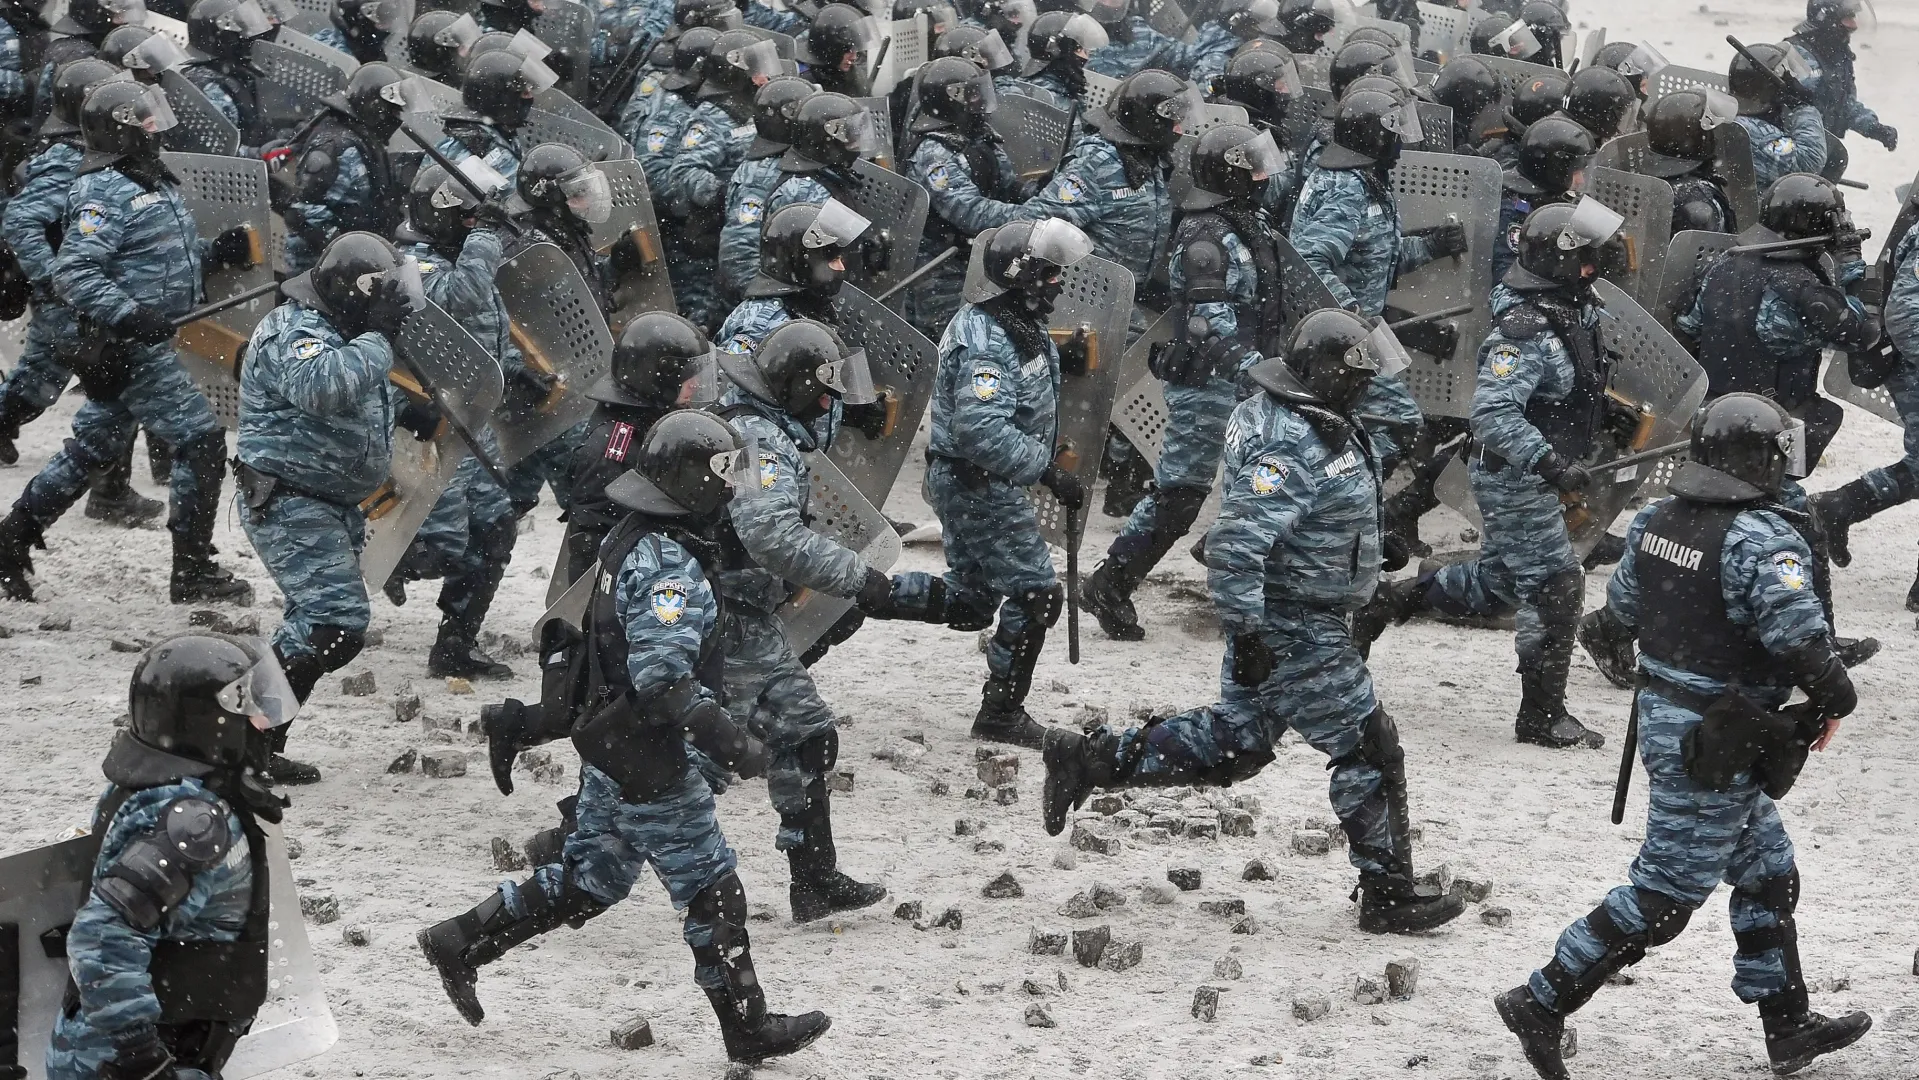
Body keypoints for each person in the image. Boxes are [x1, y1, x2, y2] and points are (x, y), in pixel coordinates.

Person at [418, 411, 835, 1066]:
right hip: (652, 753)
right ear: (691, 481)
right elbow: (664, 679)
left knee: (594, 877)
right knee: (712, 887)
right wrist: (733, 743)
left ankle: (459, 939)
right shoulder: (670, 565)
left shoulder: (635, 535)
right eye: (724, 472)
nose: (732, 487)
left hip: (613, 743)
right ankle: (748, 1026)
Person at [1042, 308, 1463, 935]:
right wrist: (1251, 631)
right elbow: (1237, 543)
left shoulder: (1315, 417)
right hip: (1292, 620)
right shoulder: (1287, 438)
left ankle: (1089, 759)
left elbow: (1319, 507)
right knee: (1370, 744)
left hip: (1294, 609)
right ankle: (1388, 893)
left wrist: (1371, 547)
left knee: (1236, 742)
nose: (1365, 385)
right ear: (1324, 373)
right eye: (1354, 374)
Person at [1496, 393, 1869, 1080]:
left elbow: (1620, 617)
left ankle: (1786, 1024)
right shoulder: (1761, 538)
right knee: (1664, 895)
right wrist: (1835, 696)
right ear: (1760, 458)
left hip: (1675, 717)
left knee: (1766, 872)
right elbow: (1803, 644)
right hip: (1716, 737)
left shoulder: (1656, 520)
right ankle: (1541, 999)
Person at [1362, 201, 1632, 750]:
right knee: (1555, 585)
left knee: (1505, 581)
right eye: (1585, 258)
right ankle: (1541, 716)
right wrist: (1550, 463)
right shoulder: (1526, 330)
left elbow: (1567, 385)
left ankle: (1390, 600)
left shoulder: (1572, 305)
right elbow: (1493, 414)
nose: (1594, 266)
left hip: (1534, 470)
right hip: (1515, 475)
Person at [0, 80, 254, 607]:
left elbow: (153, 257)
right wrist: (131, 315)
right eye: (145, 121)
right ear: (121, 128)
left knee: (93, 448)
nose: (156, 128)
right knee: (201, 443)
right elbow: (75, 273)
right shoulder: (101, 191)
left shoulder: (149, 179)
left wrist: (213, 255)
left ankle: (10, 539)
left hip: (142, 340)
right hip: (132, 348)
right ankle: (192, 571)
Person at [44, 634, 299, 1080]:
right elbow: (101, 941)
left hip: (157, 1050)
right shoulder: (191, 825)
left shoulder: (167, 787)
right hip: (129, 1063)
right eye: (248, 708)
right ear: (208, 721)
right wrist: (145, 1061)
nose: (263, 722)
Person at [711, 319, 897, 920]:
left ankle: (813, 880)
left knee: (808, 734)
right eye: (821, 392)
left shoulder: (760, 424)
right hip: (722, 619)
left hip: (744, 615)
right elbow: (769, 536)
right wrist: (857, 577)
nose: (828, 404)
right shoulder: (757, 438)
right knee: (679, 769)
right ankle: (569, 859)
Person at [1082, 123, 1287, 641]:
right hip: (1209, 381)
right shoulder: (1205, 239)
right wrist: (1252, 369)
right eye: (1253, 167)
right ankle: (1111, 582)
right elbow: (1206, 322)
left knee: (1272, 478)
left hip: (1247, 374)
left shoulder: (1243, 221)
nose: (1263, 177)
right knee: (1180, 493)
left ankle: (1242, 572)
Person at [235, 231, 422, 782]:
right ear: (353, 290)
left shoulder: (346, 328)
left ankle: (256, 744)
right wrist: (378, 335)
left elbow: (366, 397)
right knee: (332, 624)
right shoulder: (295, 330)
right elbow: (323, 386)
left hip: (331, 502)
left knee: (313, 625)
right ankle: (235, 739)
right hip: (289, 498)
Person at [924, 219, 1092, 748]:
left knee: (970, 600)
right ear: (1020, 276)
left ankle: (866, 595)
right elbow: (981, 431)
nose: (1058, 284)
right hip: (980, 482)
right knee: (1038, 594)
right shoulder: (988, 336)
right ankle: (1001, 712)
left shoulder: (1014, 321)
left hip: (977, 481)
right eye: (1048, 274)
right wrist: (1046, 472)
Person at [0, 56, 159, 526]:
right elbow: (21, 221)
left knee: (42, 378)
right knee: (115, 389)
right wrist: (56, 278)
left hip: (77, 294)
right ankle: (108, 493)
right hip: (72, 297)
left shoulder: (90, 150)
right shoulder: (68, 158)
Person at [383, 164, 527, 680]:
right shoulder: (414, 265)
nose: (475, 226)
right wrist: (485, 237)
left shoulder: (463, 253)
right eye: (467, 218)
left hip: (473, 417)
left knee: (494, 531)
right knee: (443, 546)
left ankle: (454, 646)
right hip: (429, 420)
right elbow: (460, 296)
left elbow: (486, 327)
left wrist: (515, 373)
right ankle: (382, 558)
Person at [903, 55, 1041, 339]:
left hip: (979, 258)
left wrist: (1038, 192)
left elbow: (1007, 185)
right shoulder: (933, 153)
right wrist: (1032, 216)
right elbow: (971, 213)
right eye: (973, 93)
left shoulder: (978, 134)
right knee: (960, 342)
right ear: (953, 98)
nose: (980, 101)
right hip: (942, 272)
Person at [661, 27, 779, 329]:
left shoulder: (753, 108)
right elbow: (684, 171)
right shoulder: (713, 116)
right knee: (702, 326)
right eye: (758, 69)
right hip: (710, 239)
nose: (765, 76)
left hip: (744, 232)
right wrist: (726, 194)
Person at [279, 61, 411, 273]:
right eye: (393, 111)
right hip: (325, 271)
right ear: (376, 108)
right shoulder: (336, 147)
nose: (396, 118)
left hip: (356, 265)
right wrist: (348, 253)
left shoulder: (364, 139)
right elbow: (301, 212)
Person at [717, 198, 872, 354]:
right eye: (832, 260)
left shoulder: (807, 303)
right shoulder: (763, 324)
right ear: (801, 263)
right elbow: (730, 377)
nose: (841, 267)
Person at [717, 75, 814, 301]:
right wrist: (775, 301)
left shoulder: (794, 163)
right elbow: (738, 257)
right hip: (769, 300)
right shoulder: (760, 175)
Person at [1785, 0, 1895, 153]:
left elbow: (1842, 103)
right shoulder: (1796, 54)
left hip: (1821, 146)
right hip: (1794, 148)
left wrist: (1873, 128)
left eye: (1854, 18)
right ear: (1827, 20)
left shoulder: (1838, 55)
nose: (1854, 25)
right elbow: (1796, 108)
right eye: (1848, 18)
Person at [1494, 115, 1593, 283]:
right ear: (1555, 169)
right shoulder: (1515, 210)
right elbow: (1506, 278)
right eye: (1576, 171)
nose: (1581, 180)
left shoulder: (1557, 198)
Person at [1726, 42, 1828, 192]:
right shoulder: (1754, 132)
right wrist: (1803, 107)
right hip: (1759, 211)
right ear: (1769, 88)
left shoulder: (1729, 114)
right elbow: (1809, 161)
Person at [1640, 87, 1742, 234]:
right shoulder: (1697, 198)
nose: (1715, 137)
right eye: (1711, 132)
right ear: (1696, 136)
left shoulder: (1650, 177)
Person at [182, 0, 276, 154]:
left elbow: (254, 128)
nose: (249, 37)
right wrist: (258, 156)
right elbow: (216, 152)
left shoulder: (234, 71)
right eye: (242, 31)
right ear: (224, 36)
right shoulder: (205, 87)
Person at [1020, 10, 1106, 102]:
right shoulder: (1058, 99)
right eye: (1079, 49)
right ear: (1055, 51)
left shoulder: (1020, 87)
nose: (1086, 57)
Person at [795, 3, 880, 96]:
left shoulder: (854, 76)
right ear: (830, 49)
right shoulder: (804, 81)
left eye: (857, 50)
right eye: (848, 50)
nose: (854, 57)